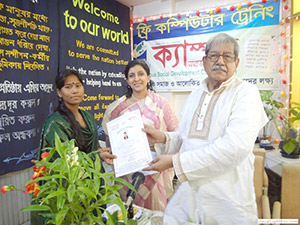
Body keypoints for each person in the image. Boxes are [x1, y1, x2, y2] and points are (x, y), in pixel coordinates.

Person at [143, 33, 268, 224]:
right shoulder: (196, 93)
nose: (220, 61)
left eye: (228, 56)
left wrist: (175, 162)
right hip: (190, 196)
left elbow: (234, 149)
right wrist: (163, 138)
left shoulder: (246, 93)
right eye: (214, 56)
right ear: (204, 61)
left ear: (237, 62)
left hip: (228, 203)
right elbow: (186, 138)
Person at [32, 69, 115, 225]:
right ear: (59, 92)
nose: (74, 90)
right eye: (68, 87)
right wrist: (98, 156)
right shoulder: (55, 123)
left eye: (78, 85)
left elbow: (93, 147)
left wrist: (102, 152)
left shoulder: (87, 116)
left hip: (92, 185)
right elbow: (63, 162)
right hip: (70, 191)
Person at [102, 59, 178, 211]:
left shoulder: (161, 104)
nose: (136, 79)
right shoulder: (117, 108)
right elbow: (109, 137)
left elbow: (176, 133)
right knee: (130, 209)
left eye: (141, 74)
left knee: (154, 212)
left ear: (148, 77)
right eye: (132, 75)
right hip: (128, 169)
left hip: (155, 167)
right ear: (127, 80)